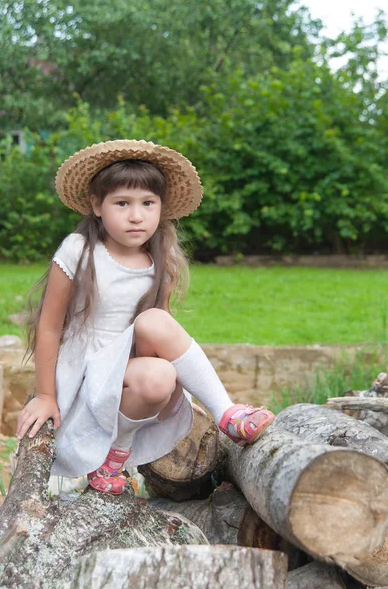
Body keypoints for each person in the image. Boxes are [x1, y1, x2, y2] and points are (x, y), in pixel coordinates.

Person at [16, 139, 275, 495]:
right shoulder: (79, 251)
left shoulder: (159, 260)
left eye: (147, 204)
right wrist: (46, 395)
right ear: (96, 205)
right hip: (88, 373)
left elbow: (161, 339)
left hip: (129, 373)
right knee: (153, 323)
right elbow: (48, 326)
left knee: (161, 372)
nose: (136, 215)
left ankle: (118, 454)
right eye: (122, 203)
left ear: (161, 208)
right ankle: (225, 412)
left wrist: (179, 391)